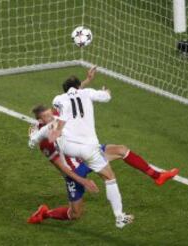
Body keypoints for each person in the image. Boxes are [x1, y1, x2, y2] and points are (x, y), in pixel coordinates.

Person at [48, 68, 178, 228]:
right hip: (75, 166)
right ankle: (45, 213)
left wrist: (85, 82)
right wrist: (104, 91)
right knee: (76, 213)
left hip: (79, 150)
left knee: (121, 150)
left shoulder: (59, 99)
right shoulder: (87, 93)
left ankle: (157, 176)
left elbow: (71, 95)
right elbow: (104, 96)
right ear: (79, 87)